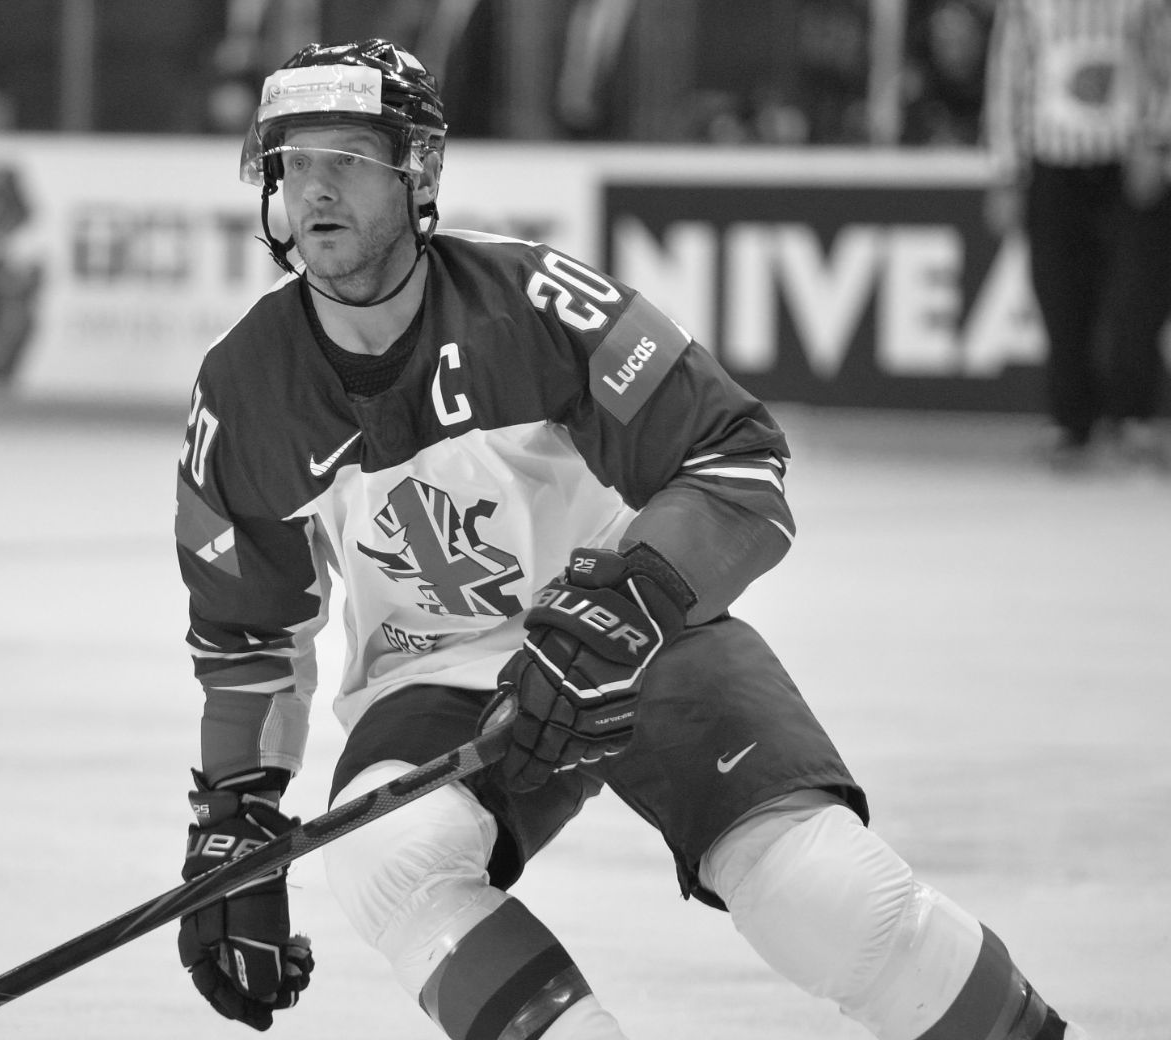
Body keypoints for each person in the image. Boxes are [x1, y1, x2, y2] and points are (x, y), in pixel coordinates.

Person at [172, 38, 1088, 1040]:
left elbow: (735, 457)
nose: (314, 188)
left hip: (635, 627)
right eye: (291, 161)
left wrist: (630, 599)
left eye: (345, 155)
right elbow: (247, 632)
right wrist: (234, 815)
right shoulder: (240, 391)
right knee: (389, 853)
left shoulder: (533, 303)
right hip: (432, 677)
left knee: (826, 898)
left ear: (418, 168)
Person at [983, 0, 1171, 471]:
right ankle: (1071, 423)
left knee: (1138, 298)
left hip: (1129, 163)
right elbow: (1007, 76)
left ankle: (1135, 420)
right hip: (1054, 164)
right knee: (1061, 299)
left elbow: (1165, 59)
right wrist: (1006, 170)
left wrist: (1158, 141)